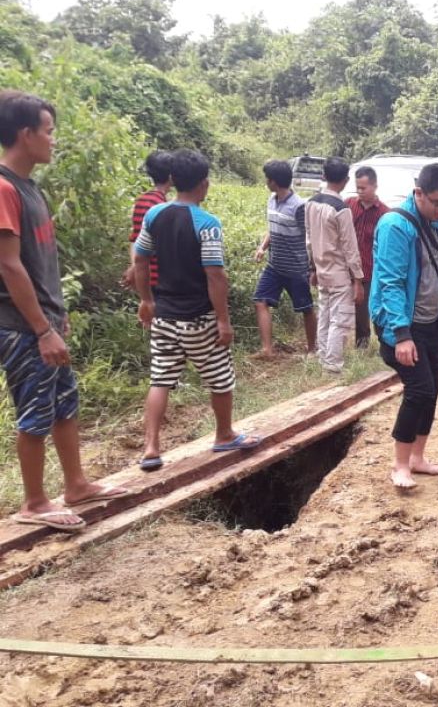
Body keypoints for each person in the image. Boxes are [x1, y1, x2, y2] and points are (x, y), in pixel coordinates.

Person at [0, 90, 128, 531]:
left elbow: (40, 261)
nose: (54, 140)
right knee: (35, 408)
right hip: (20, 327)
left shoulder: (29, 187)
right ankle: (34, 502)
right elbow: (9, 265)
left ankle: (76, 484)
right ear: (25, 133)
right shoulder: (2, 188)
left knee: (63, 402)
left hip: (45, 321)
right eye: (49, 131)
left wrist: (57, 314)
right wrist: (40, 328)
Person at [134, 149, 259, 471]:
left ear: (173, 180)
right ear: (204, 184)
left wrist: (147, 299)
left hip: (164, 315)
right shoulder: (207, 224)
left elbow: (140, 260)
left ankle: (150, 447)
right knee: (220, 378)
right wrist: (223, 321)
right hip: (198, 318)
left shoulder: (155, 215)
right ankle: (224, 434)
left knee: (160, 379)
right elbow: (215, 274)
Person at [370, 163, 438, 490]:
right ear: (418, 192)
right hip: (403, 327)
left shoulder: (432, 225)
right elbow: (391, 283)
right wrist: (401, 335)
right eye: (437, 203)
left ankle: (417, 458)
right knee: (419, 389)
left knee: (433, 390)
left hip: (430, 323)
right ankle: (399, 465)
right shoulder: (396, 225)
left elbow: (435, 272)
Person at [305, 157, 365, 374]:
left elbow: (309, 239)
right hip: (338, 271)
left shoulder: (311, 203)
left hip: (321, 267)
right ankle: (332, 364)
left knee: (325, 314)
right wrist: (357, 280)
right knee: (340, 319)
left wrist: (312, 268)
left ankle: (324, 357)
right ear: (347, 180)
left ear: (323, 176)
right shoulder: (341, 209)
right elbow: (350, 247)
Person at [252, 160, 316, 358]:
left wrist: (313, 267)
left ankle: (313, 349)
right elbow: (273, 229)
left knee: (305, 308)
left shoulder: (299, 207)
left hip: (296, 268)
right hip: (274, 266)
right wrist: (262, 247)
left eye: (267, 179)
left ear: (274, 181)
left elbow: (311, 236)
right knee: (260, 300)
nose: (266, 182)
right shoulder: (272, 200)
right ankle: (267, 349)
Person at [121, 150, 173, 291]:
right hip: (158, 278)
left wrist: (134, 267)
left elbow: (135, 238)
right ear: (170, 176)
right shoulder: (161, 206)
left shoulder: (142, 200)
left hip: (144, 276)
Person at [346, 166, 385, 350]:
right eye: (357, 188)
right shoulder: (349, 205)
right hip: (348, 268)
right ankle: (357, 345)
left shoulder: (384, 213)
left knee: (368, 309)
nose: (360, 192)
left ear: (375, 186)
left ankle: (375, 345)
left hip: (370, 269)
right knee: (352, 310)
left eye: (364, 188)